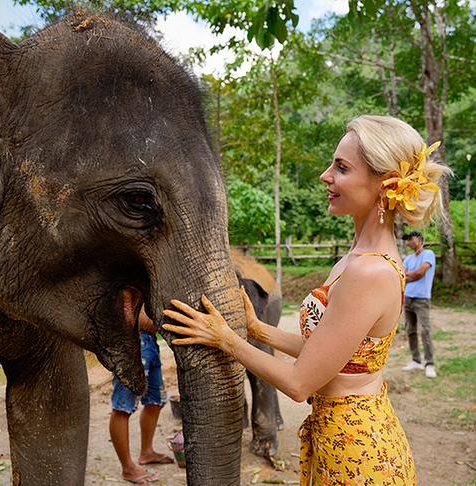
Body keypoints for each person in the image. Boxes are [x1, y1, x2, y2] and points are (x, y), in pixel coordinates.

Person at [161, 114, 450, 485]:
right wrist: (257, 330)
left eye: (341, 168)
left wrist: (226, 340)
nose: (325, 176)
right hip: (343, 437)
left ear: (385, 184)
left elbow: (299, 383)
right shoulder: (357, 258)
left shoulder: (369, 271)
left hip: (358, 453)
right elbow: (329, 353)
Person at [109, 308, 174, 484]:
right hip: (131, 341)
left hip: (151, 342)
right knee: (123, 407)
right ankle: (127, 468)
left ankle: (147, 452)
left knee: (155, 401)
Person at [400, 230, 438, 378]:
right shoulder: (408, 258)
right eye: (407, 240)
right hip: (408, 298)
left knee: (425, 331)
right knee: (410, 330)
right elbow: (402, 276)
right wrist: (411, 275)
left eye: (411, 239)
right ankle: (416, 360)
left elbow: (420, 273)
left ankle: (430, 364)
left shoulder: (428, 254)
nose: (409, 242)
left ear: (420, 239)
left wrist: (409, 275)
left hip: (422, 299)